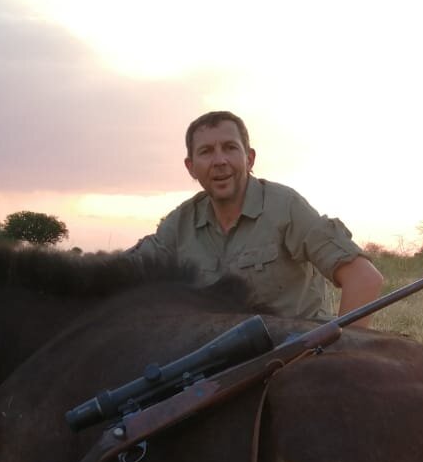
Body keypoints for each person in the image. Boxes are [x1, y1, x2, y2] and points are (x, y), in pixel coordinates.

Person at [131, 111, 384, 323]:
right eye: (206, 151)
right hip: (216, 367)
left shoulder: (286, 207)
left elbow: (364, 279)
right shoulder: (180, 222)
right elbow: (125, 272)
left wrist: (341, 352)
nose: (219, 161)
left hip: (297, 361)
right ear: (191, 167)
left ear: (249, 158)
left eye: (230, 148)